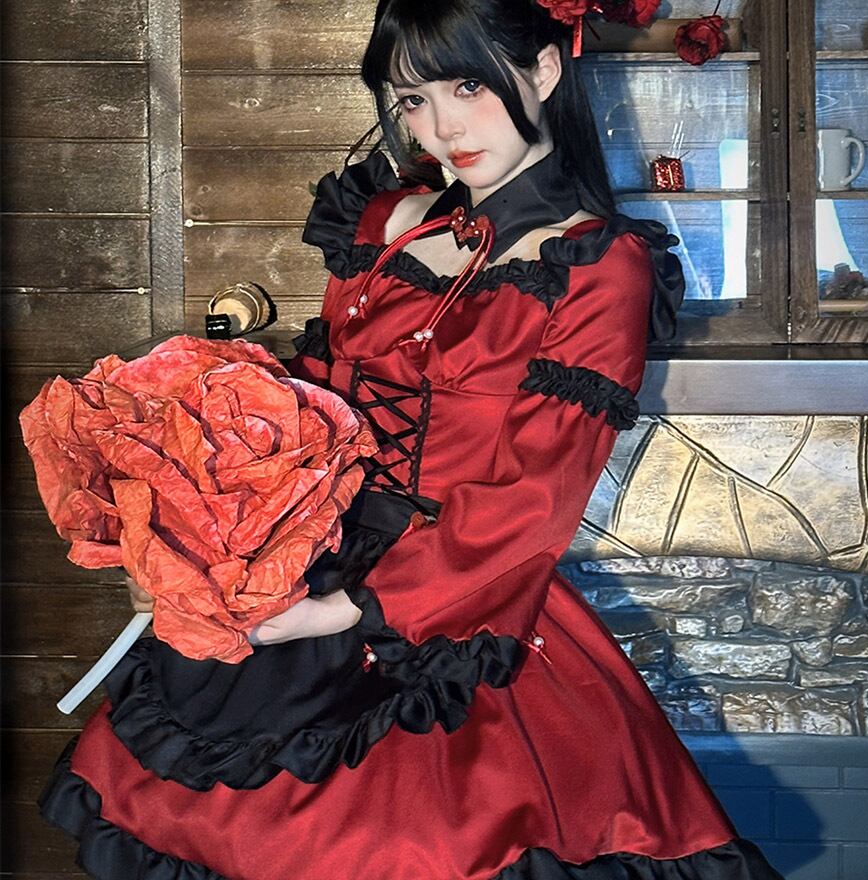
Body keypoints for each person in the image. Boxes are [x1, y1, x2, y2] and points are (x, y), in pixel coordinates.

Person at [40, 2, 784, 877]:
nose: (441, 128)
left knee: (403, 847)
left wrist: (344, 611)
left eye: (467, 86)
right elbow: (311, 419)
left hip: (456, 600)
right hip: (306, 565)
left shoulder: (596, 268)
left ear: (544, 69)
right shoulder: (385, 225)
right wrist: (200, 539)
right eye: (412, 99)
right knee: (187, 810)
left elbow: (534, 500)